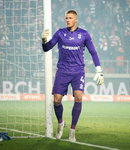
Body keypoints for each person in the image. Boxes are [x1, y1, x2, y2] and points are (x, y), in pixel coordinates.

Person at [41, 10, 104, 142]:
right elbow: (47, 48)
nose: (67, 20)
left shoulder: (84, 34)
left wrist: (99, 70)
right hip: (63, 71)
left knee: (79, 97)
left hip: (78, 72)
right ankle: (60, 123)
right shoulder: (60, 33)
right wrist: (43, 40)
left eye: (70, 18)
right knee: (57, 100)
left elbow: (93, 52)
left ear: (76, 20)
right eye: (66, 18)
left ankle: (72, 131)